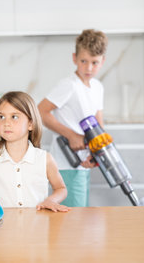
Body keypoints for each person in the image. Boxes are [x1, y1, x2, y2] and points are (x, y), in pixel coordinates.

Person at [0, 91, 69, 217]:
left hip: (37, 230)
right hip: (0, 231)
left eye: (14, 117)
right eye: (1, 117)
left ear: (30, 123)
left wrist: (51, 200)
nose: (6, 123)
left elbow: (61, 189)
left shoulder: (45, 159)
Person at [37, 29, 108, 207]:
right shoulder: (69, 85)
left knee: (81, 218)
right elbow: (40, 111)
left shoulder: (97, 87)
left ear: (103, 61)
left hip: (84, 163)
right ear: (74, 58)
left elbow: (99, 123)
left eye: (94, 62)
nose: (89, 68)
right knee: (71, 221)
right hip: (65, 165)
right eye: (83, 61)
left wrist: (96, 152)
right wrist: (71, 135)